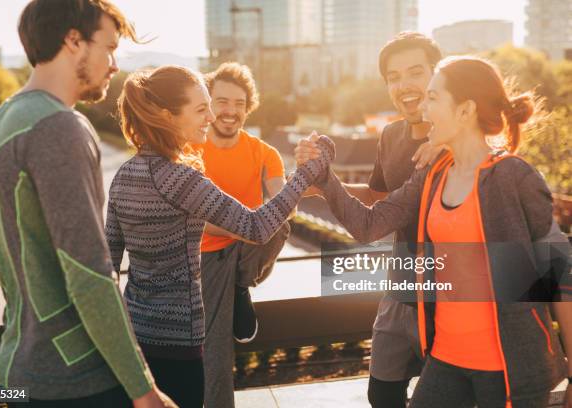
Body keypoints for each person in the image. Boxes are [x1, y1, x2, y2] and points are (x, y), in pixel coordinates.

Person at [303, 55, 572, 407]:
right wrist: (324, 178)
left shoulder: (512, 176)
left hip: (507, 367)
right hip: (445, 359)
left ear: (465, 110)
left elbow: (560, 273)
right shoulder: (433, 175)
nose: (423, 108)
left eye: (433, 97)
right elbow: (368, 224)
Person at [0, 1, 175, 407]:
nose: (115, 64)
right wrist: (144, 390)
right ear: (73, 41)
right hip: (73, 380)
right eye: (110, 47)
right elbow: (90, 273)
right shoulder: (59, 127)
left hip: (18, 370)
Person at [105, 65, 333, 408]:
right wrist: (303, 176)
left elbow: (108, 264)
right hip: (180, 342)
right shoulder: (180, 178)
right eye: (201, 109)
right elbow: (257, 226)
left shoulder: (123, 175)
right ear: (168, 116)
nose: (210, 117)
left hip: (135, 337)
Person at [296, 31, 445, 408]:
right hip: (397, 293)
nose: (404, 85)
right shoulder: (391, 134)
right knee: (382, 394)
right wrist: (321, 186)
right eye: (393, 77)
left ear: (437, 75)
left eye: (415, 72)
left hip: (447, 300)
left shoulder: (458, 140)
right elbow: (380, 201)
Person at [196, 62, 292, 408]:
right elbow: (191, 220)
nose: (230, 111)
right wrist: (245, 223)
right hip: (202, 256)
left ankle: (241, 284)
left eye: (238, 103)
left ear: (248, 107)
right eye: (222, 102)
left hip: (246, 250)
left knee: (279, 224)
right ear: (207, 104)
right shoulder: (190, 150)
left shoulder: (264, 153)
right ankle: (237, 287)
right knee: (216, 352)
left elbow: (284, 207)